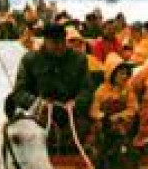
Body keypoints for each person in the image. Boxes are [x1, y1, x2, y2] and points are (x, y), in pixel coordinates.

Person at [9, 21, 93, 151]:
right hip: (39, 115)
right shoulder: (30, 60)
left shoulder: (79, 59)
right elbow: (19, 92)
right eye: (54, 42)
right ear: (45, 41)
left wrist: (77, 103)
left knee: (85, 131)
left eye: (61, 41)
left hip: (72, 115)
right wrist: (38, 103)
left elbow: (87, 89)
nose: (59, 45)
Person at [90, 55, 139, 141]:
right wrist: (104, 117)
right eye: (121, 73)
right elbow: (94, 110)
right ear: (112, 73)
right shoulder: (101, 90)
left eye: (126, 73)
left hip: (123, 123)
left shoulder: (128, 89)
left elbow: (133, 109)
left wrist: (119, 116)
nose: (124, 76)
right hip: (104, 124)